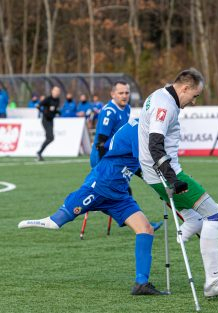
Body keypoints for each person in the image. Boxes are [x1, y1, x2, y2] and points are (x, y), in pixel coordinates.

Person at [18, 119, 166, 296]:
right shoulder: (138, 128)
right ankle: (28, 222)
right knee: (56, 222)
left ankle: (141, 283)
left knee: (145, 229)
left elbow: (137, 163)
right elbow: (147, 158)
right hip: (100, 186)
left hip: (119, 194)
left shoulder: (144, 126)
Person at [138, 68, 218, 297]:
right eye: (194, 95)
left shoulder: (159, 96)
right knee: (213, 214)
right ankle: (212, 283)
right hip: (164, 174)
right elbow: (155, 143)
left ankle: (184, 232)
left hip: (155, 174)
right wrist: (173, 179)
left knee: (195, 217)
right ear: (184, 88)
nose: (194, 102)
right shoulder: (164, 105)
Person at [90, 81, 131, 168]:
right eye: (121, 93)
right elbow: (101, 142)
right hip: (103, 157)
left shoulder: (127, 108)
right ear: (113, 94)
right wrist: (103, 164)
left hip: (115, 155)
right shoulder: (109, 112)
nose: (124, 96)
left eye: (127, 93)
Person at [37, 86, 61, 161]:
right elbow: (38, 106)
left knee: (50, 138)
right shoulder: (48, 99)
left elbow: (54, 109)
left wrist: (58, 112)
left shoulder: (57, 100)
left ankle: (39, 153)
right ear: (52, 91)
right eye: (55, 91)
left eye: (58, 91)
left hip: (51, 120)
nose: (57, 92)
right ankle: (39, 153)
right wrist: (43, 112)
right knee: (50, 137)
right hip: (45, 120)